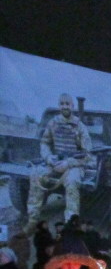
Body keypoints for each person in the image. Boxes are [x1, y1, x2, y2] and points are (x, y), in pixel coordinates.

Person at [26, 94, 93, 232]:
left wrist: (68, 163)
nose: (65, 106)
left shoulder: (79, 126)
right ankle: (32, 219)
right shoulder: (53, 123)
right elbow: (44, 143)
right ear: (59, 106)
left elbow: (87, 154)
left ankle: (70, 225)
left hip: (73, 164)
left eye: (67, 104)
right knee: (36, 174)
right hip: (55, 161)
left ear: (72, 106)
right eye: (62, 104)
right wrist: (49, 157)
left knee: (72, 182)